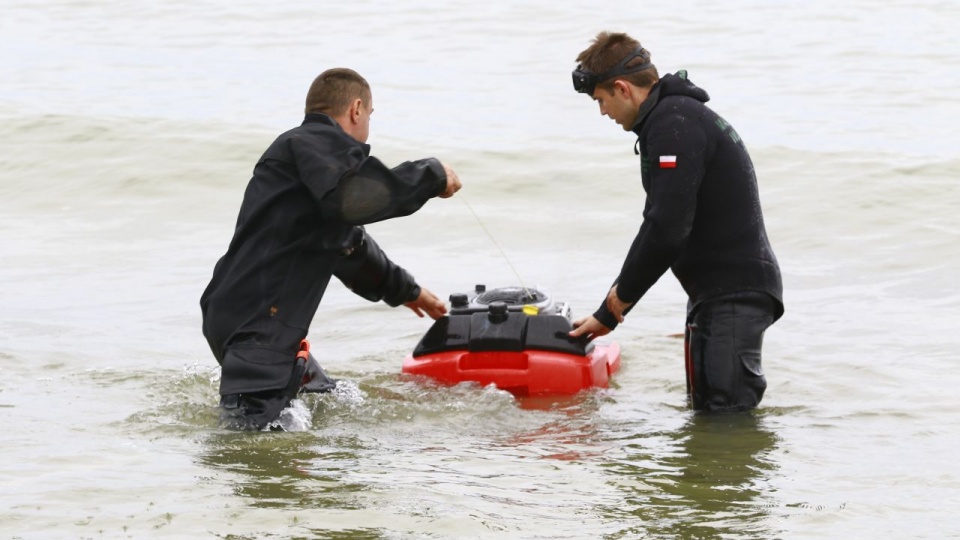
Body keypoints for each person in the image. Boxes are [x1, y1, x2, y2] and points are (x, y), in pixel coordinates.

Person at [200, 67, 462, 430]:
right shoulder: (314, 143)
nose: (368, 124)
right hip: (258, 326)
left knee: (330, 404)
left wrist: (409, 292)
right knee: (251, 444)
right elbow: (354, 200)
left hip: (240, 314)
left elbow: (347, 245)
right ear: (356, 109)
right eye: (370, 115)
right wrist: (431, 174)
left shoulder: (308, 165)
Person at [568, 32, 784, 412]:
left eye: (600, 100)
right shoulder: (672, 118)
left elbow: (667, 227)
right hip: (717, 294)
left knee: (724, 421)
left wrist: (613, 307)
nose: (602, 112)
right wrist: (612, 306)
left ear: (622, 88)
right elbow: (661, 225)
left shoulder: (673, 122)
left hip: (733, 294)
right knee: (705, 416)